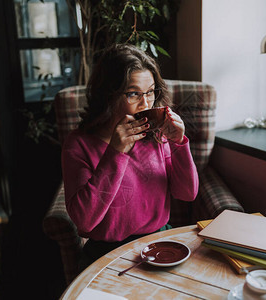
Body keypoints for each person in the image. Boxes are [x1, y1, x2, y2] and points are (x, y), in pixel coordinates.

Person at [61, 43, 199, 267]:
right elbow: (84, 222)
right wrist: (115, 152)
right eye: (133, 94)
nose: (146, 104)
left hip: (159, 242)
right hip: (107, 254)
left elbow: (187, 193)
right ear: (108, 95)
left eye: (151, 92)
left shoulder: (156, 136)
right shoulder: (79, 144)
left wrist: (178, 143)